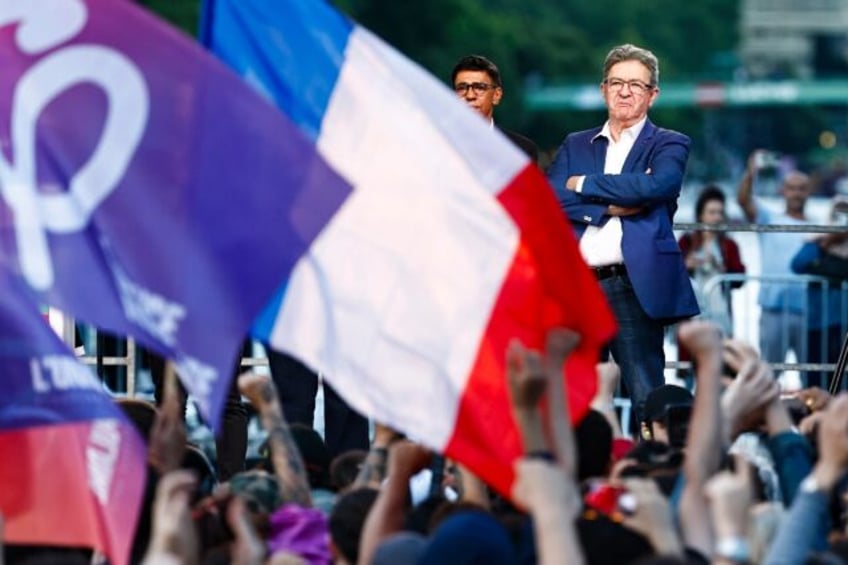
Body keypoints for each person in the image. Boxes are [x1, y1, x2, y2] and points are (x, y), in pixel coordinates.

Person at [546, 43, 698, 426]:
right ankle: (584, 477)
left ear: (652, 94)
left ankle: (654, 472)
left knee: (647, 394)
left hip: (632, 283)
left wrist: (583, 184)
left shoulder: (669, 142)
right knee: (575, 395)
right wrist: (613, 203)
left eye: (635, 84)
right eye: (616, 82)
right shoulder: (575, 143)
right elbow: (551, 199)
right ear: (603, 89)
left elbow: (658, 186)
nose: (625, 91)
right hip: (577, 286)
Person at [737, 149, 814, 367]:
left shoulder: (820, 224)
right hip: (774, 309)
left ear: (809, 192)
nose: (796, 193)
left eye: (801, 189)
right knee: (769, 374)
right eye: (791, 188)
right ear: (783, 191)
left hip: (810, 311)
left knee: (813, 374)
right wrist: (751, 171)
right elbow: (743, 200)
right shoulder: (769, 218)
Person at [790, 197, 848, 389]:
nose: (842, 220)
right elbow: (798, 264)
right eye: (838, 214)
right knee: (814, 380)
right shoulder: (817, 240)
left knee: (841, 381)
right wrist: (826, 241)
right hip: (817, 322)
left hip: (843, 323)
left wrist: (822, 266)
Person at [678, 185, 746, 337]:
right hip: (691, 316)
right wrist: (686, 266)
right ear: (701, 215)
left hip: (720, 315)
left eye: (720, 212)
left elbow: (740, 278)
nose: (717, 217)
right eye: (712, 212)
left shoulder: (729, 245)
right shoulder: (687, 241)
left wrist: (722, 268)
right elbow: (669, 275)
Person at [450, 54, 539, 163]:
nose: (470, 96)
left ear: (496, 95)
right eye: (461, 88)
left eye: (479, 88)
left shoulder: (521, 149)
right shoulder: (438, 144)